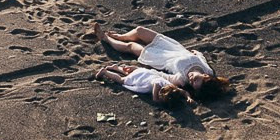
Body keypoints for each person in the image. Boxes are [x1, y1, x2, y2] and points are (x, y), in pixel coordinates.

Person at [92, 23, 231, 98]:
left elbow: (160, 76)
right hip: (172, 47)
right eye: (195, 79)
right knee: (140, 30)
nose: (191, 79)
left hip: (158, 57)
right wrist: (197, 54)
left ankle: (105, 38)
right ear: (205, 75)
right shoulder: (208, 70)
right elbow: (202, 59)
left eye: (192, 83)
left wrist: (137, 69)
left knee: (131, 46)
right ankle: (121, 36)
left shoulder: (181, 79)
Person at [94, 62, 193, 107]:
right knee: (121, 80)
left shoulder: (173, 88)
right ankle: (105, 72)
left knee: (130, 74)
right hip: (143, 78)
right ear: (162, 92)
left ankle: (116, 68)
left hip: (145, 73)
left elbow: (184, 92)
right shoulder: (158, 85)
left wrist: (188, 97)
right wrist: (157, 100)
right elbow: (155, 96)